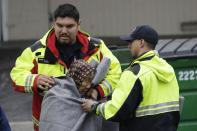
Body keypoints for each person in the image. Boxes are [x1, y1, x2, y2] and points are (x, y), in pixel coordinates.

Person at [10, 3, 121, 131]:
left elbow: (116, 72)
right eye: (60, 25)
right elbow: (17, 75)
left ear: (79, 24)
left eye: (69, 26)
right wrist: (36, 80)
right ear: (54, 24)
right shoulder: (37, 52)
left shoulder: (96, 47)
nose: (64, 31)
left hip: (86, 121)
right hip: (52, 124)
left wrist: (98, 90)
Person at [82, 25, 180, 131]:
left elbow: (117, 110)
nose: (128, 46)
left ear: (141, 42)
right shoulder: (168, 69)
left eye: (131, 42)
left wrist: (94, 107)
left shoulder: (134, 73)